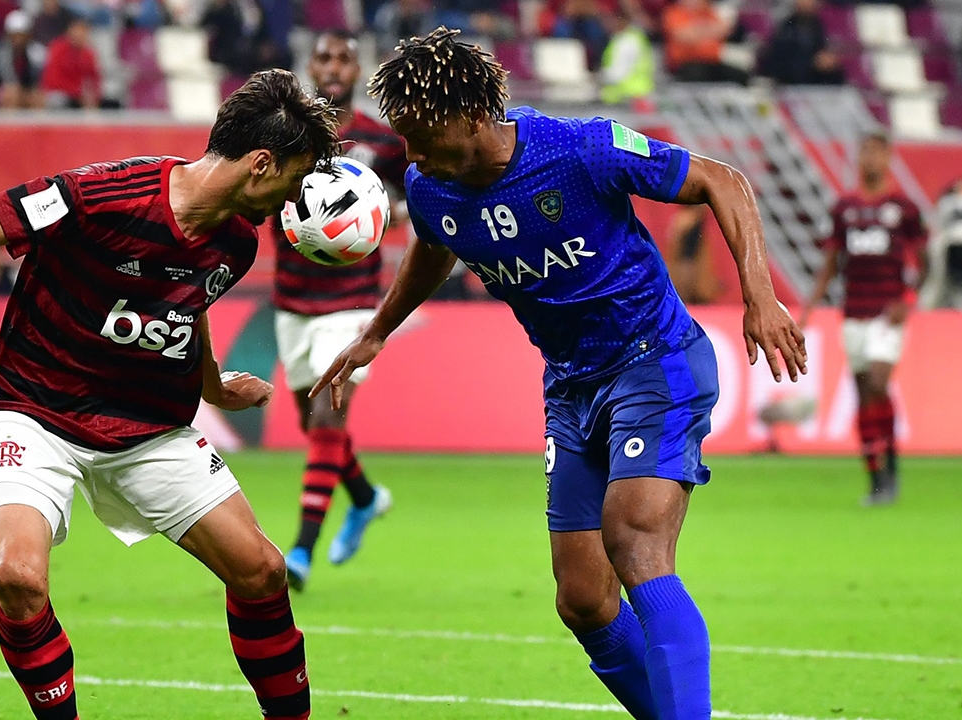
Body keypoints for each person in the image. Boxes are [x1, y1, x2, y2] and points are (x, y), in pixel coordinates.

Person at [315, 28, 806, 719]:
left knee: (634, 542)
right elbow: (433, 244)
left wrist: (760, 294)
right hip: (571, 387)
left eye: (422, 136)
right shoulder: (430, 187)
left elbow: (720, 180)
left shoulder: (581, 150)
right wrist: (377, 330)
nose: (413, 155)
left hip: (655, 360)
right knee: (583, 599)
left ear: (470, 113)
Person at [0, 69, 339, 720]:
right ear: (261, 164)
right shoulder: (104, 194)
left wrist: (213, 385)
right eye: (296, 177)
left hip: (147, 427)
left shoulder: (236, 242)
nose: (295, 197)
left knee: (262, 571)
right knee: (19, 578)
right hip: (32, 410)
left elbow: (187, 303)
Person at [274, 30, 407, 591]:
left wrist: (392, 212)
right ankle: (365, 497)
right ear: (310, 67)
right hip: (291, 299)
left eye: (344, 60)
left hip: (352, 300)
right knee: (313, 425)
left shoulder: (382, 142)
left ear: (358, 71)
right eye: (324, 58)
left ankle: (301, 551)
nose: (333, 68)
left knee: (330, 418)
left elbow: (420, 194)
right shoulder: (284, 135)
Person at [801, 132, 926, 506]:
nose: (869, 158)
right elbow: (830, 264)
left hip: (887, 313)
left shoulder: (903, 208)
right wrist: (806, 310)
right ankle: (875, 477)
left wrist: (908, 300)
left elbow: (927, 261)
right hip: (853, 312)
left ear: (888, 157)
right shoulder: (845, 208)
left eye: (876, 151)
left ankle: (891, 467)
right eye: (864, 151)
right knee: (862, 392)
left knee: (877, 382)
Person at [759, 0, 844, 86]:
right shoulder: (786, 28)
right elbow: (777, 63)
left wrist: (829, 64)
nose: (807, 3)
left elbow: (828, 59)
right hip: (789, 85)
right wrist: (812, 63)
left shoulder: (820, 27)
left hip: (816, 85)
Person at [40, 17, 103, 109]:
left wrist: (94, 95)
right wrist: (77, 92)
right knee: (57, 100)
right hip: (61, 93)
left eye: (83, 31)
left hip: (78, 95)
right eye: (77, 30)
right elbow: (52, 80)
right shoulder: (58, 48)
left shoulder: (88, 53)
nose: (80, 34)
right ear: (70, 32)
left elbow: (94, 77)